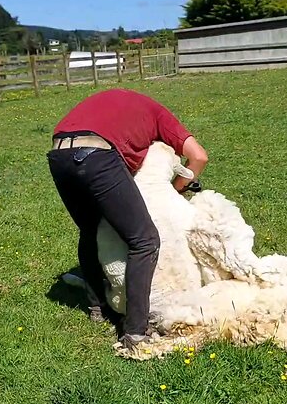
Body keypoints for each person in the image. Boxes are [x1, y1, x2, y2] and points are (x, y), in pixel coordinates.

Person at [48, 88, 209, 350]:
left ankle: (97, 306)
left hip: (59, 154)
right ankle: (135, 332)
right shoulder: (160, 115)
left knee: (91, 230)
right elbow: (199, 156)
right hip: (97, 155)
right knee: (144, 239)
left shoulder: (122, 102)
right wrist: (177, 188)